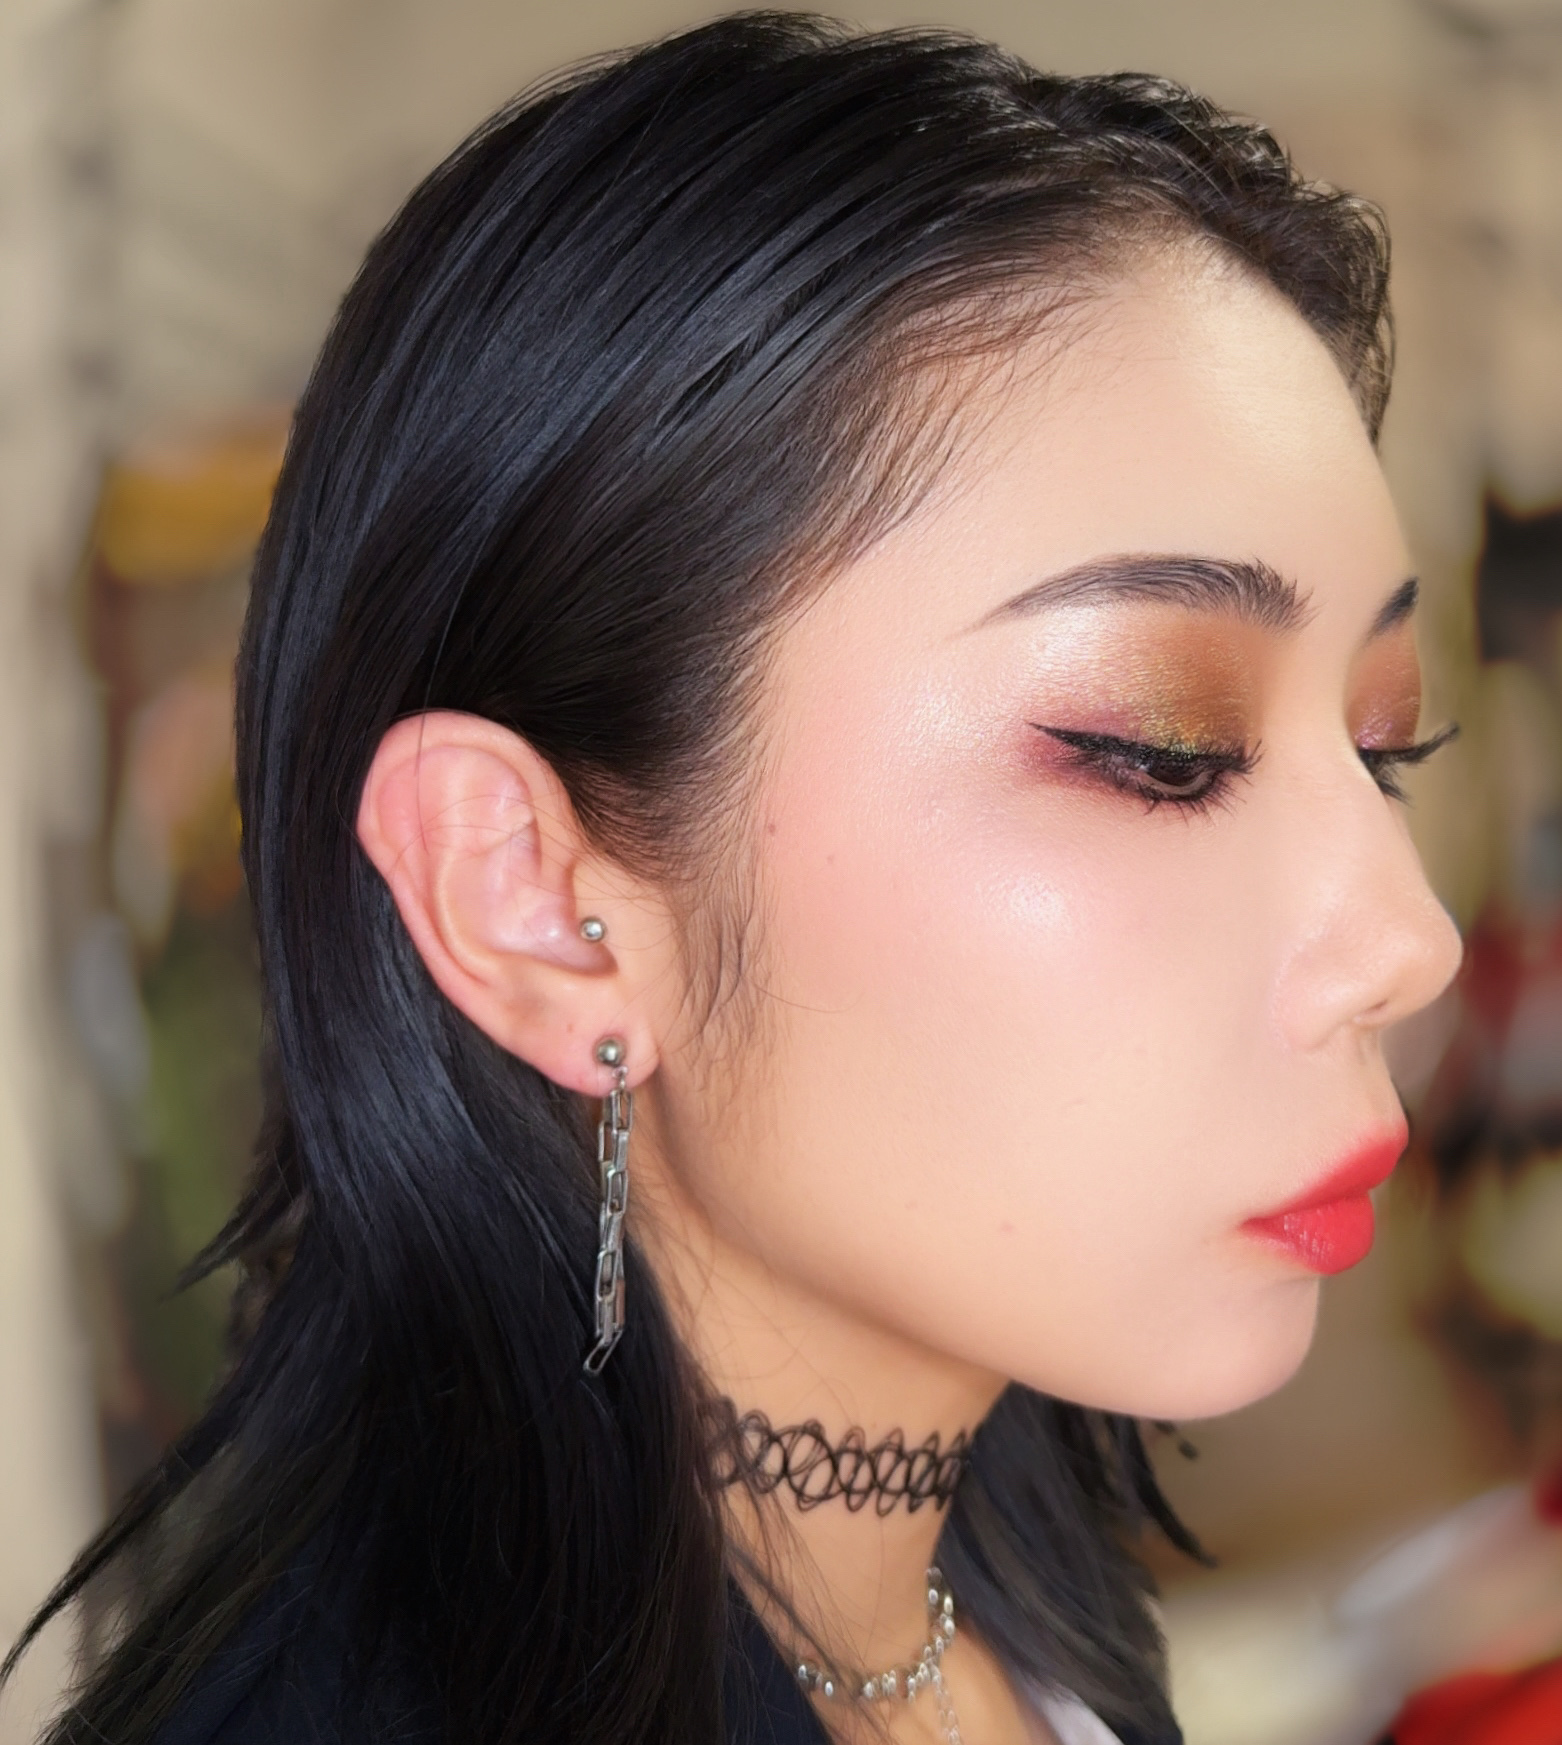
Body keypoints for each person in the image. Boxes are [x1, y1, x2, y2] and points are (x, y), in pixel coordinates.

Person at [7, 12, 1463, 1744]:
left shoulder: (1005, 1601)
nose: (1407, 938)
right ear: (531, 898)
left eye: (1381, 747)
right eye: (1163, 750)